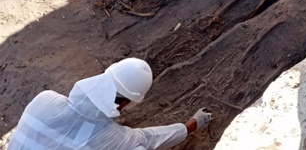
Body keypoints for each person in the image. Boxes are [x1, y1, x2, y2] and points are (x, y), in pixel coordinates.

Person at [8, 58, 212, 149]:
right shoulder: (109, 137)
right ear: (126, 103)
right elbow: (148, 139)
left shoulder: (44, 99)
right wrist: (189, 126)